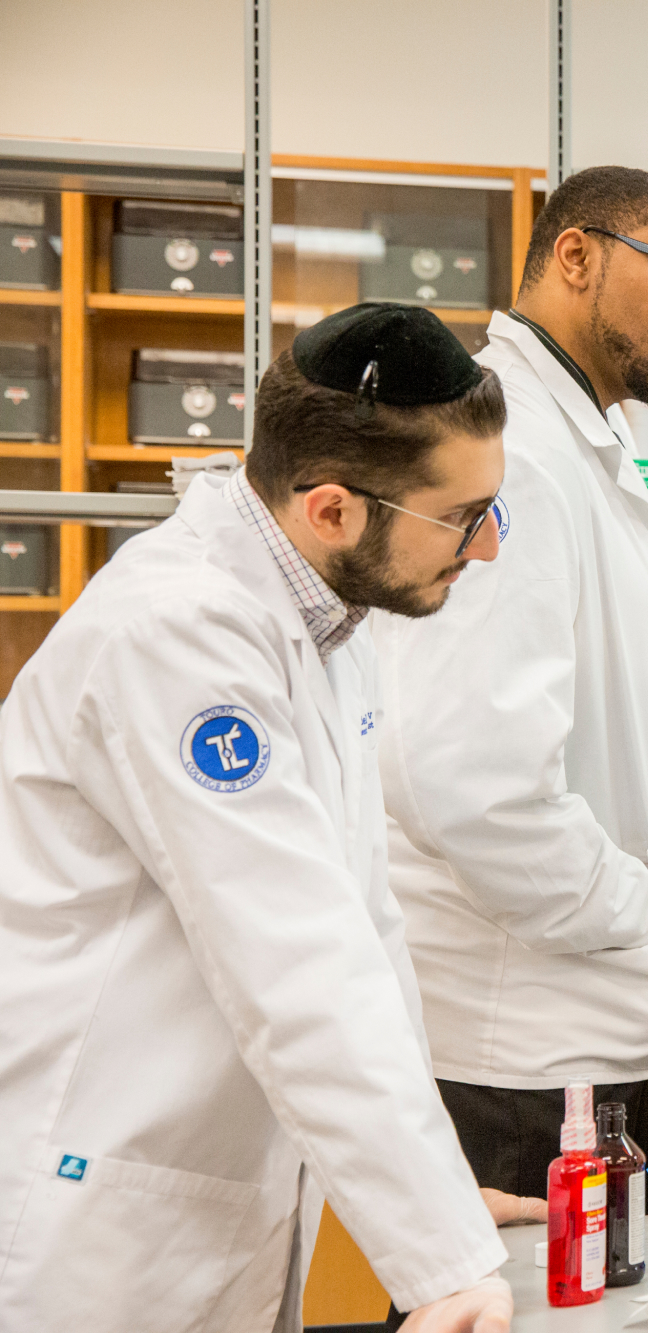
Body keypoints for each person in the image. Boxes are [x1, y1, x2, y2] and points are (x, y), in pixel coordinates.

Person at [0, 304, 517, 1331]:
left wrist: (442, 1202)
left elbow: (362, 928)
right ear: (331, 508)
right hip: (93, 1202)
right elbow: (296, 960)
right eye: (462, 515)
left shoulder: (324, 619)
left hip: (202, 1184)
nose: (489, 546)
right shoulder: (178, 634)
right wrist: (441, 1257)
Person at [373, 166, 648, 1196]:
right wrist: (639, 913)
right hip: (526, 1050)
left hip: (578, 1027)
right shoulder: (519, 455)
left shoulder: (579, 440)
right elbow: (463, 775)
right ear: (575, 255)